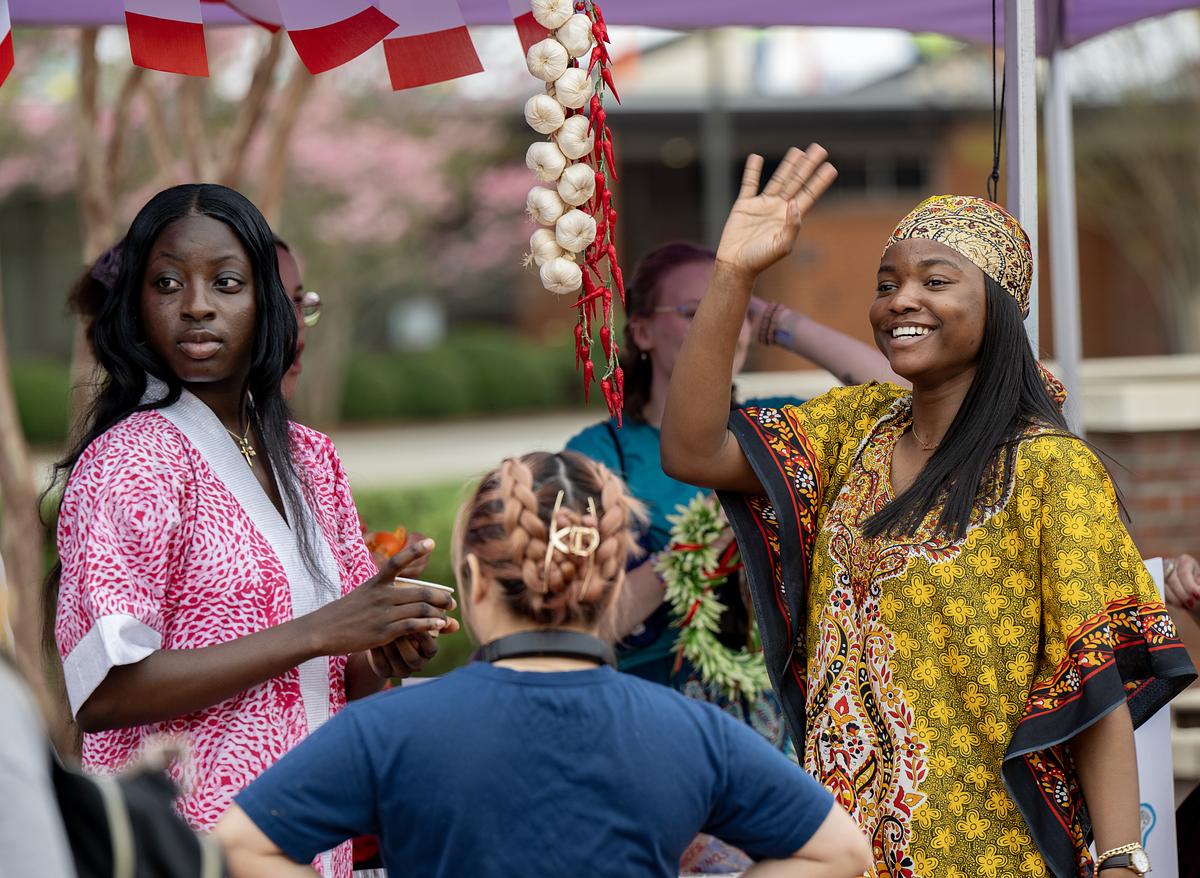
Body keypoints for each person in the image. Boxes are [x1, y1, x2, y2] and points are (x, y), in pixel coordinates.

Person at [660, 144, 1196, 878]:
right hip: (837, 851)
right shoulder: (853, 429)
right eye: (888, 283)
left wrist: (1121, 859)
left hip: (983, 851)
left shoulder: (1050, 470)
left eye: (935, 281)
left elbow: (1093, 679)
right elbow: (692, 449)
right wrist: (734, 274)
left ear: (998, 306)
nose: (900, 300)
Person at [50, 184, 458, 878]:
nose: (198, 304)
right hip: (184, 849)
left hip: (305, 840)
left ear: (268, 302)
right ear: (138, 307)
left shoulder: (312, 459)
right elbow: (104, 693)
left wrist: (383, 645)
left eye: (227, 282)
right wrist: (324, 629)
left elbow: (335, 676)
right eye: (168, 283)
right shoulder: (130, 460)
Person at [213, 450, 871, 878]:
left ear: (471, 581)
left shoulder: (389, 729)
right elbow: (839, 853)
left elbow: (240, 845)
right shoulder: (693, 733)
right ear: (613, 583)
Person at [565, 241, 895, 737]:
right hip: (654, 718)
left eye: (734, 312)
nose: (720, 327)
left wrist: (777, 320)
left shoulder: (777, 423)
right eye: (696, 312)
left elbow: (899, 398)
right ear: (642, 331)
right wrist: (702, 541)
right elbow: (582, 625)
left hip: (783, 720)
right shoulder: (600, 453)